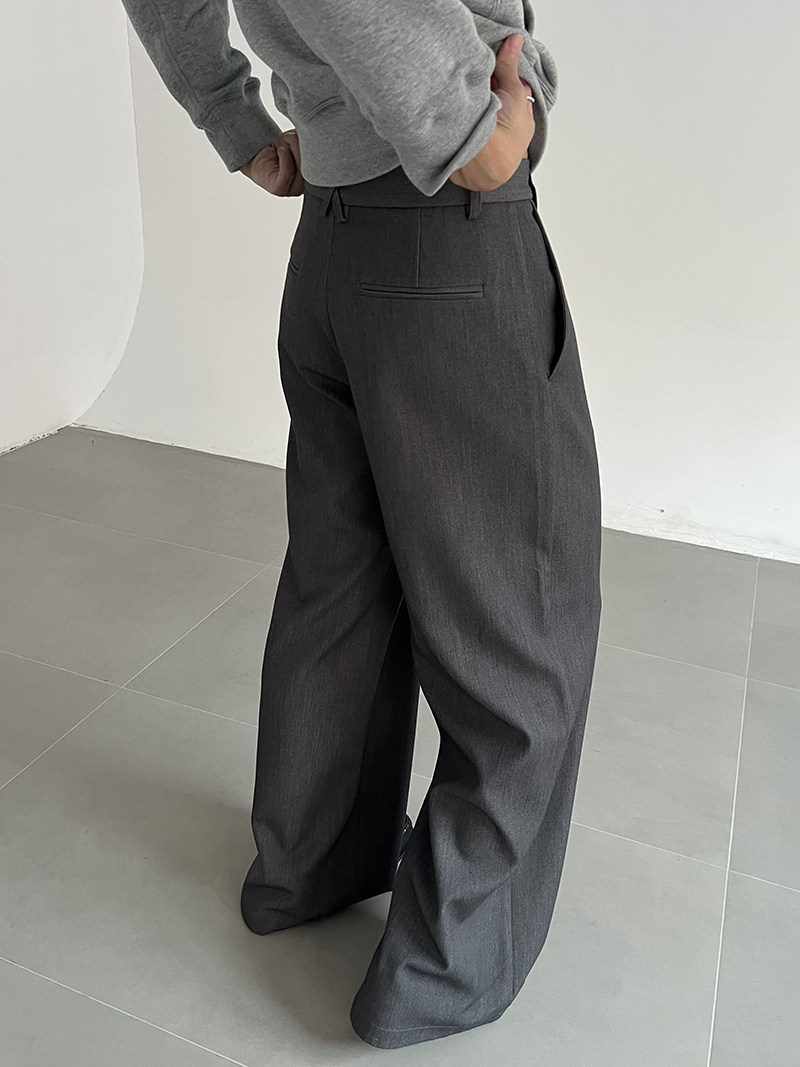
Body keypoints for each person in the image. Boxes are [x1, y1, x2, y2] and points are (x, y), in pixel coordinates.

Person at [118, 0, 602, 1050]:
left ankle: (311, 863)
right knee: (520, 613)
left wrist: (233, 118)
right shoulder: (457, 147)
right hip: (446, 227)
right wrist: (477, 135)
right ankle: (442, 971)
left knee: (346, 583)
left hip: (336, 241)